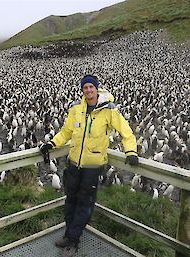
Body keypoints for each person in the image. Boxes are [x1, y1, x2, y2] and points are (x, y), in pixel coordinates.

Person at [39, 75, 139, 257]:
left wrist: (131, 151)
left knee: (84, 203)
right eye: (85, 87)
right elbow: (66, 132)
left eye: (91, 87)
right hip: (74, 164)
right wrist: (52, 144)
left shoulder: (109, 111)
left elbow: (127, 132)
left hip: (92, 167)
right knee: (70, 200)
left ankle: (74, 241)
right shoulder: (76, 110)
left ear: (96, 89)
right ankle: (69, 234)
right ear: (82, 90)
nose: (88, 90)